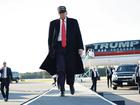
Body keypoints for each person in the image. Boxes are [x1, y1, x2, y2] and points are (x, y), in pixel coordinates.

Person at [40, 6, 84, 96]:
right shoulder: (53, 23)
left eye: (63, 12)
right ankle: (62, 90)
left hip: (71, 48)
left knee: (70, 69)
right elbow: (50, 38)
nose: (62, 14)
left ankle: (71, 85)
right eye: (60, 12)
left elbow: (78, 35)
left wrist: (80, 47)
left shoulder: (73, 22)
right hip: (59, 48)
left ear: (66, 12)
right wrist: (51, 50)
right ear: (58, 13)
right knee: (60, 69)